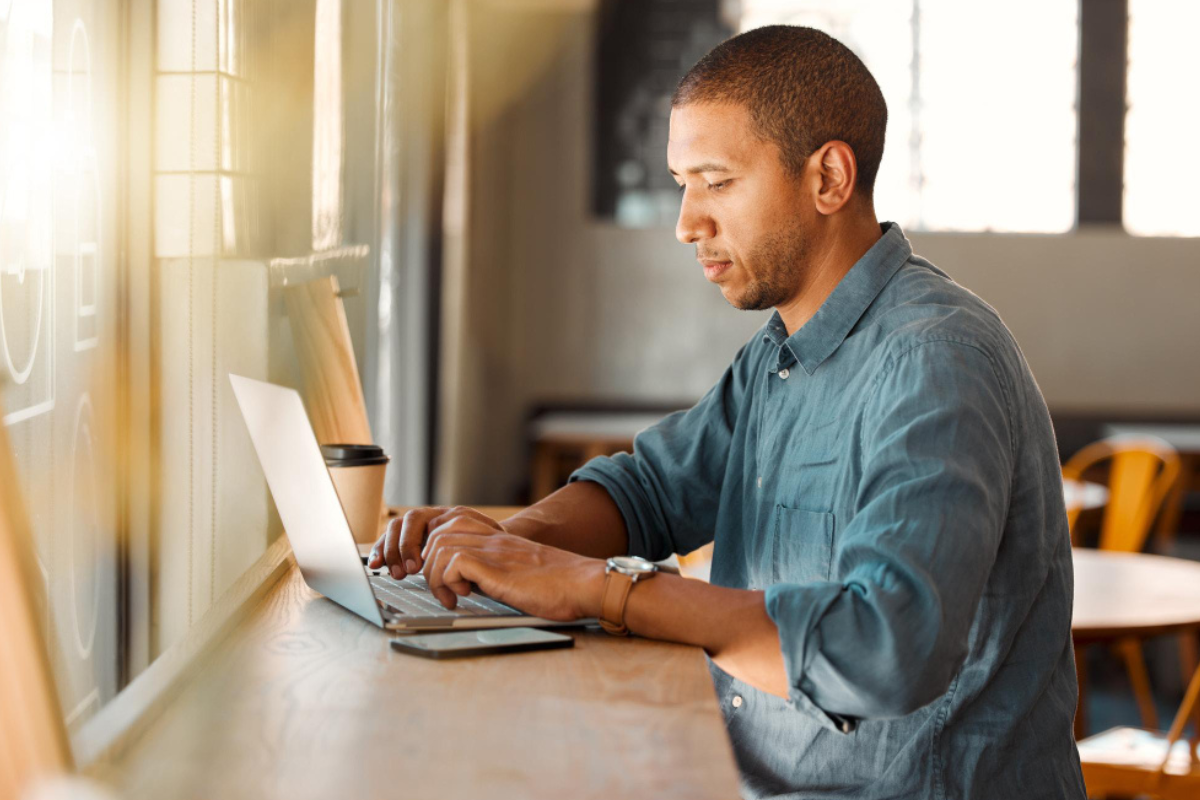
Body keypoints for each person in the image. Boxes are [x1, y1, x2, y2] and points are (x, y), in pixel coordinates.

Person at [369, 25, 1085, 799]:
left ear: (829, 179)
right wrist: (499, 551)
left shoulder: (934, 360)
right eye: (682, 183)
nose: (686, 223)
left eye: (715, 182)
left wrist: (598, 589)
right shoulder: (779, 354)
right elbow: (649, 488)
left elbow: (885, 648)